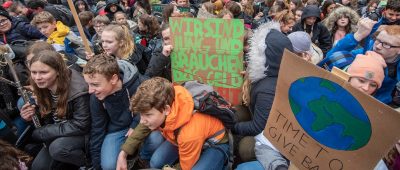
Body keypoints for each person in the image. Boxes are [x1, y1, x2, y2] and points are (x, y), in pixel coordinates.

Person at [122, 77, 229, 170]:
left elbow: (186, 166)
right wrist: (124, 153)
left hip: (214, 144)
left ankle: (220, 160)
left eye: (148, 115)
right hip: (183, 139)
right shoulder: (167, 96)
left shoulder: (188, 133)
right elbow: (143, 126)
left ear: (166, 109)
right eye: (141, 114)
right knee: (156, 162)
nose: (142, 120)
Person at [83, 54, 156, 170]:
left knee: (154, 140)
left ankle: (142, 159)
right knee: (108, 166)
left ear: (113, 79)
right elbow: (97, 129)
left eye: (95, 84)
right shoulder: (96, 97)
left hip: (143, 122)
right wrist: (97, 166)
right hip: (118, 129)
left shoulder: (140, 84)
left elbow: (153, 106)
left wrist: (135, 124)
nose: (90, 90)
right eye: (88, 84)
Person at [20, 50, 90, 169]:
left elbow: (82, 125)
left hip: (84, 134)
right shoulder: (42, 84)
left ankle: (88, 164)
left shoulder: (79, 90)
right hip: (59, 130)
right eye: (34, 72)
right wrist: (32, 114)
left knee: (58, 148)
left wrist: (44, 132)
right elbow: (50, 115)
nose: (37, 78)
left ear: (58, 71)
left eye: (43, 72)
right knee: (38, 167)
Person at [327, 19, 400, 104]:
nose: (378, 46)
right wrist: (357, 35)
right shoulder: (364, 52)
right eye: (378, 40)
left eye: (387, 44)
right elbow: (330, 58)